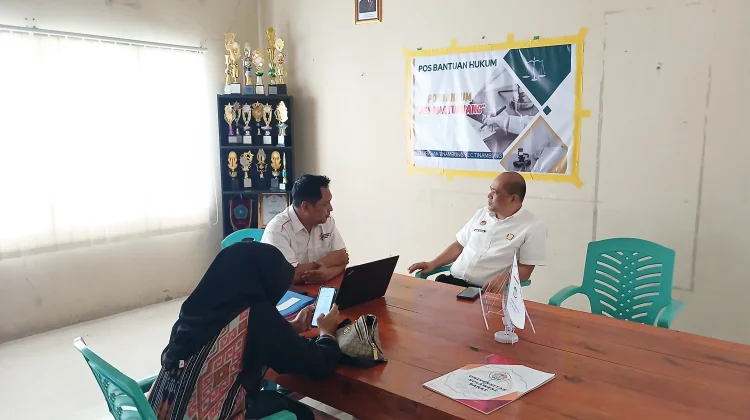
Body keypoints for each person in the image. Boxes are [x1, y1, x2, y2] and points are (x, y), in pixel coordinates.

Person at [147, 241, 341, 420]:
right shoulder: (257, 314)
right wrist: (327, 334)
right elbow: (312, 363)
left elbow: (240, 339)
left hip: (157, 412)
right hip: (210, 415)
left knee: (274, 399)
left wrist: (293, 328)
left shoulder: (198, 305)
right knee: (304, 413)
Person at [408, 172, 546, 292]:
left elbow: (525, 269)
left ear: (513, 198)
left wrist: (505, 278)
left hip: (484, 292)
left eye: (495, 192)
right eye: (490, 190)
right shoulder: (482, 214)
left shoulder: (532, 226)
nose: (489, 195)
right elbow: (459, 245)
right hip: (451, 282)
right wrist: (433, 263)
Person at [261, 174, 348, 285]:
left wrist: (328, 274)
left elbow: (343, 259)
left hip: (318, 286)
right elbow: (289, 276)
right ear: (305, 207)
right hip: (286, 292)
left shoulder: (327, 221)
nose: (331, 208)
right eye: (325, 204)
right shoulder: (277, 230)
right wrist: (330, 260)